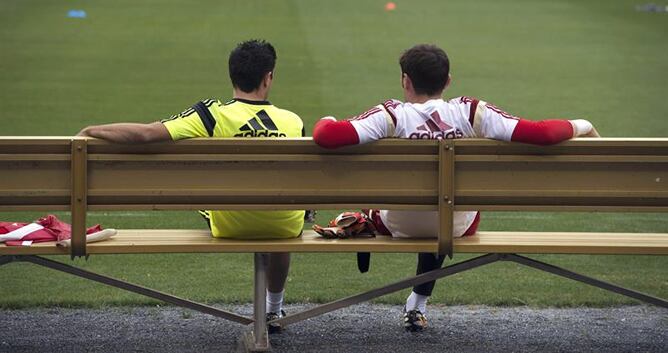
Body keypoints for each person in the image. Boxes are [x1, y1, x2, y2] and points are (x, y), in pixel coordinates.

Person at [311, 44, 599, 332]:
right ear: (448, 81)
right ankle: (418, 304)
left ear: (405, 81)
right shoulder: (471, 112)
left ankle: (359, 222)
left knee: (406, 202)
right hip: (458, 225)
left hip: (395, 223)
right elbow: (543, 133)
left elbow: (326, 136)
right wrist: (583, 124)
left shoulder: (391, 115)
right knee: (444, 203)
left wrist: (328, 119)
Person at [78, 39, 304, 333]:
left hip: (231, 226)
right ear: (268, 77)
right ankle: (274, 309)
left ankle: (272, 306)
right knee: (279, 207)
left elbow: (146, 134)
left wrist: (91, 131)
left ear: (232, 76)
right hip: (285, 227)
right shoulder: (292, 121)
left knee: (214, 193)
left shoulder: (210, 115)